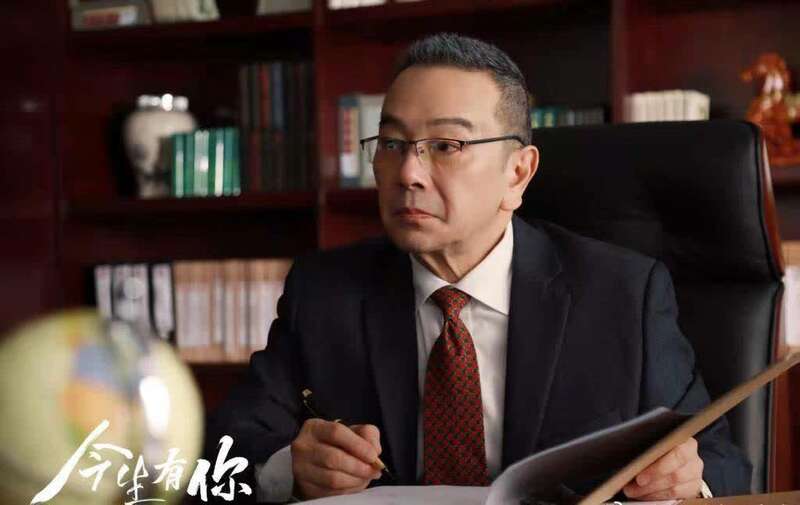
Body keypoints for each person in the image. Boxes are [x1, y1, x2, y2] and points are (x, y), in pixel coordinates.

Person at [210, 33, 751, 502]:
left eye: (446, 145)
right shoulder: (324, 293)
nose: (408, 172)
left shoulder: (623, 294)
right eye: (392, 143)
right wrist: (288, 469)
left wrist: (687, 480)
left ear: (518, 173)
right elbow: (220, 458)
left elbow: (723, 463)